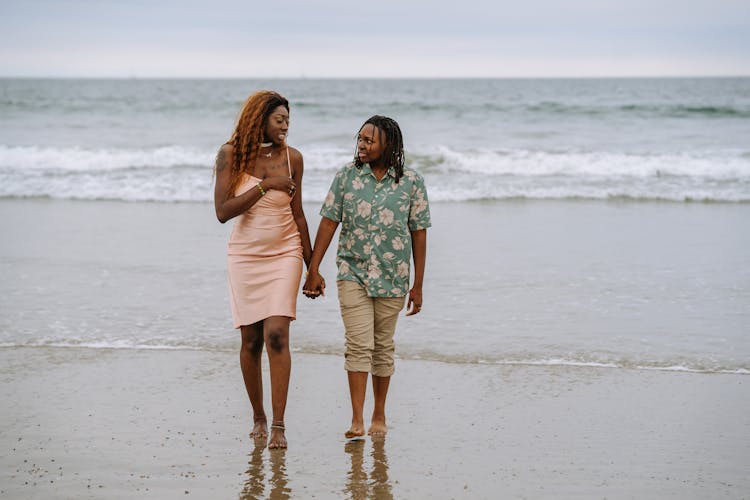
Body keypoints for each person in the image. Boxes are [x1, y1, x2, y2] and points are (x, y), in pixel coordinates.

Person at [303, 115, 431, 439]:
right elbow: (329, 222)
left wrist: (418, 285)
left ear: (388, 144)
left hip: (393, 276)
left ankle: (379, 413)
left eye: (369, 140)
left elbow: (419, 233)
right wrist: (313, 269)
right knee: (358, 344)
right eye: (359, 139)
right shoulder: (346, 177)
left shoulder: (411, 183)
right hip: (352, 272)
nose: (362, 145)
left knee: (383, 347)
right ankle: (357, 419)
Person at [214, 90, 313, 449]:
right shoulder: (230, 155)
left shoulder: (293, 158)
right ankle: (258, 416)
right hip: (245, 256)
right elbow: (223, 211)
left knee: (276, 335)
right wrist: (266, 186)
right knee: (251, 340)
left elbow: (299, 213)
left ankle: (279, 425)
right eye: (279, 119)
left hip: (285, 251)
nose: (286, 126)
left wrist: (312, 266)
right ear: (260, 119)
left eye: (288, 120)